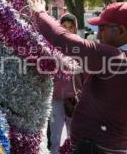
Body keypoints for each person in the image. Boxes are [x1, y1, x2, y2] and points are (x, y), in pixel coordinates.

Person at [28, 0, 127, 154]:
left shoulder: (116, 59)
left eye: (102, 28)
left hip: (95, 149)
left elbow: (62, 40)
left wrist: (39, 12)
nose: (98, 34)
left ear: (121, 31)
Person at [49, 13, 79, 154]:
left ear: (75, 28)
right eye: (64, 26)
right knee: (55, 137)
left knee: (73, 136)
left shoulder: (81, 45)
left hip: (74, 99)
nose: (67, 29)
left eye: (70, 27)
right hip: (56, 98)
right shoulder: (53, 46)